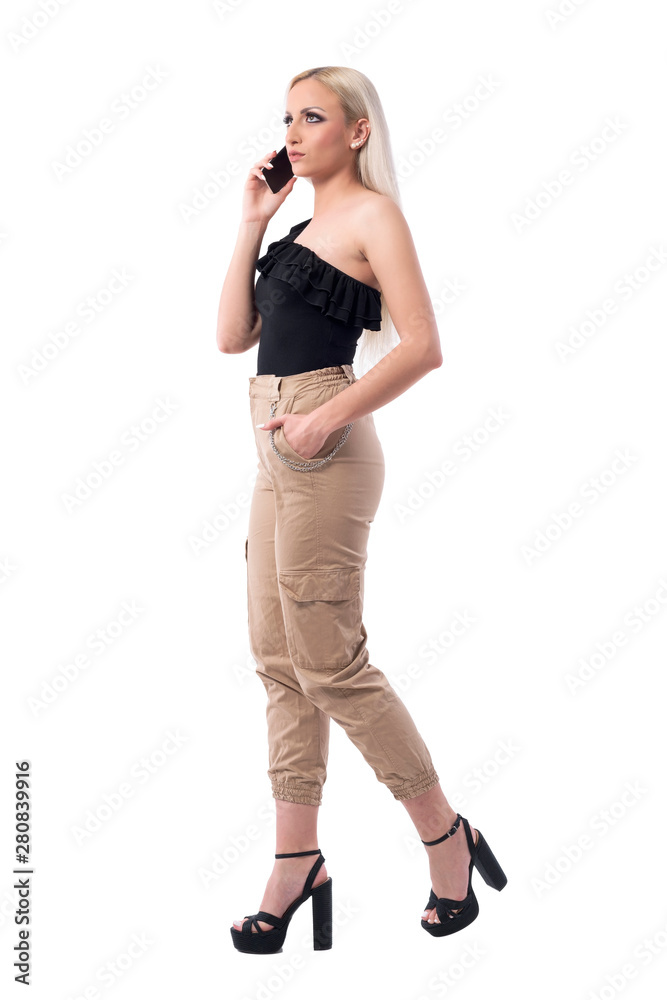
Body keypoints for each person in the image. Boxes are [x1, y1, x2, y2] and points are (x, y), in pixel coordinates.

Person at [217, 66, 507, 954]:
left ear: (356, 132)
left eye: (313, 117)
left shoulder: (373, 217)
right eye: (286, 118)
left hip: (324, 440)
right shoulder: (299, 223)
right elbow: (233, 338)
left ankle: (443, 835)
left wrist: (322, 421)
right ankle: (296, 858)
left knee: (331, 663)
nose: (292, 133)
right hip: (270, 437)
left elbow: (423, 345)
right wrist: (251, 224)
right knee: (277, 660)